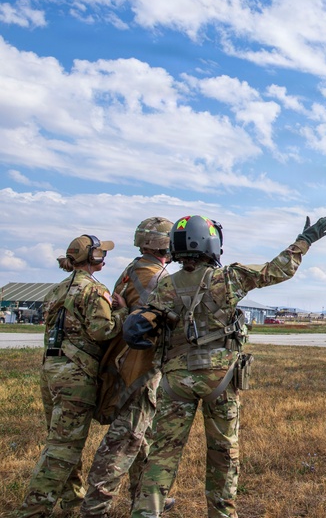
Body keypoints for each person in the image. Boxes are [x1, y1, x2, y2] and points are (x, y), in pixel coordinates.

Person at [125, 214, 326, 518]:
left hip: (175, 380)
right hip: (219, 380)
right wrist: (305, 241)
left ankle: (145, 512)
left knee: (162, 454)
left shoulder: (164, 285)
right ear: (210, 244)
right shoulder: (228, 278)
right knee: (223, 454)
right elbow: (277, 270)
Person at [16, 234, 127, 518]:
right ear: (92, 257)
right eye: (100, 253)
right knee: (63, 447)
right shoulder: (94, 291)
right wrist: (123, 312)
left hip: (51, 370)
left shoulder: (56, 290)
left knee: (61, 438)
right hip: (76, 376)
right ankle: (33, 509)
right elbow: (102, 331)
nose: (104, 257)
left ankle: (72, 498)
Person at [82, 217, 175, 518]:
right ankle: (94, 508)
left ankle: (145, 497)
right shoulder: (157, 278)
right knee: (123, 442)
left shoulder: (133, 269)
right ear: (166, 245)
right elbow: (161, 321)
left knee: (141, 437)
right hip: (139, 369)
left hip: (126, 363)